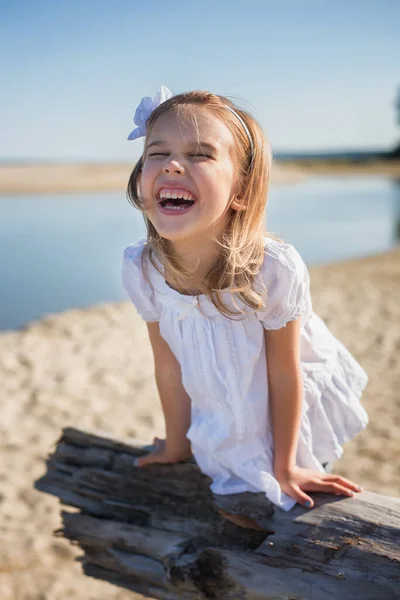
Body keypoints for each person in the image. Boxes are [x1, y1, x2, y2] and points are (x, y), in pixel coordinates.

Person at [121, 86, 369, 511]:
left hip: (289, 419)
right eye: (157, 153)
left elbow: (285, 375)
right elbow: (168, 366)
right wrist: (177, 444)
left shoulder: (273, 268)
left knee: (288, 508)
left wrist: (287, 465)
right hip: (223, 412)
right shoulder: (143, 269)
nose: (174, 165)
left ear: (241, 190)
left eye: (200, 155)